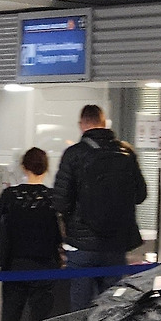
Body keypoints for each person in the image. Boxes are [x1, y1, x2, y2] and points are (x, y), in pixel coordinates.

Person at [53, 106, 147, 309]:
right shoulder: (126, 153)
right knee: (111, 308)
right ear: (104, 123)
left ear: (82, 125)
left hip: (81, 246)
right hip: (116, 245)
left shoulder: (73, 154)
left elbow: (60, 202)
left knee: (80, 310)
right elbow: (141, 195)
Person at [0, 147, 63, 321]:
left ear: (23, 167)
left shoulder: (9, 196)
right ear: (46, 168)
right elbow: (60, 235)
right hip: (45, 268)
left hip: (15, 268)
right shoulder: (52, 199)